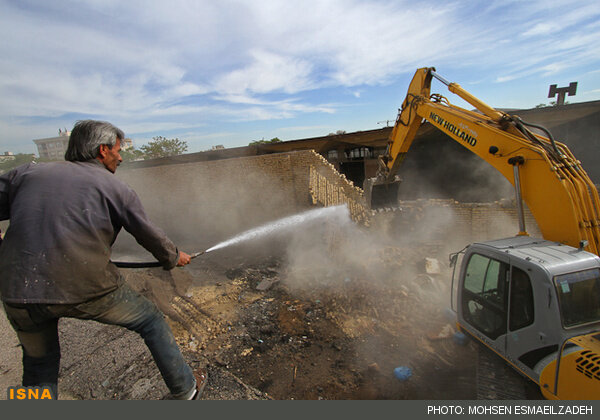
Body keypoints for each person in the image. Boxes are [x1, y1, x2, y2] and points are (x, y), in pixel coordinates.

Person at [0, 120, 206, 400]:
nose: (121, 157)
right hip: (84, 285)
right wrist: (173, 257)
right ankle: (185, 390)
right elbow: (147, 234)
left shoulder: (26, 173)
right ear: (102, 150)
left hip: (18, 291)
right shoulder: (114, 187)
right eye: (118, 150)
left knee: (39, 363)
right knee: (150, 320)